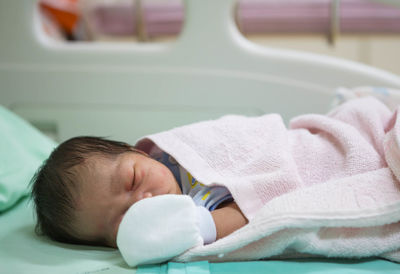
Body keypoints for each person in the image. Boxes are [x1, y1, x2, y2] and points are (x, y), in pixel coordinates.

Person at [30, 136, 248, 248]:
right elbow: (248, 213)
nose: (142, 200)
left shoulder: (174, 153)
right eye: (123, 218)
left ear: (136, 152)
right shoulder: (197, 209)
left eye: (134, 180)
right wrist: (198, 225)